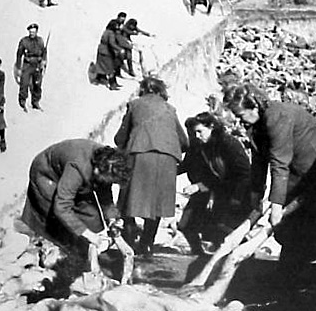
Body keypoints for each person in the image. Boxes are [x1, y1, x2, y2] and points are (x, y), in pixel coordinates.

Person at [224, 83, 316, 286]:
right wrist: (256, 193)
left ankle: (294, 281)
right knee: (288, 229)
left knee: (303, 227)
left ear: (254, 107)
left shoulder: (278, 117)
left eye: (240, 114)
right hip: (299, 171)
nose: (239, 119)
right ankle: (287, 275)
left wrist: (277, 206)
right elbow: (259, 160)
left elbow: (279, 164)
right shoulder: (256, 125)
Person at [20, 140, 130, 272]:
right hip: (48, 174)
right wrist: (89, 235)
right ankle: (54, 257)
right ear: (98, 170)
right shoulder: (77, 168)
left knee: (91, 215)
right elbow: (61, 207)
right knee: (58, 226)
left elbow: (105, 195)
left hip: (76, 175)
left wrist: (112, 219)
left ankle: (88, 254)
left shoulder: (108, 163)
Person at [114, 76, 189, 257]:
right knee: (157, 205)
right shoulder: (170, 109)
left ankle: (129, 234)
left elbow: (119, 138)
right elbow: (184, 142)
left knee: (127, 198)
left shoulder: (135, 105)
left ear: (143, 90)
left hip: (140, 153)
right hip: (167, 159)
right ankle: (147, 244)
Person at [178, 112, 251, 255]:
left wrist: (201, 187)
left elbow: (243, 173)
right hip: (209, 189)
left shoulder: (228, 143)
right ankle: (198, 255)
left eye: (200, 131)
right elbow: (187, 166)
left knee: (220, 227)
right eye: (194, 133)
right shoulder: (199, 145)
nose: (197, 136)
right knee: (185, 225)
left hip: (235, 191)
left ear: (211, 127)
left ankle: (244, 251)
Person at [15, 23, 47, 112]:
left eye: (34, 31)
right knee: (24, 83)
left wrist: (43, 62)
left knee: (37, 84)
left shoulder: (40, 41)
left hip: (37, 65)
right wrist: (18, 67)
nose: (32, 33)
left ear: (37, 31)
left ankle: (35, 102)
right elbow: (19, 54)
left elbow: (44, 52)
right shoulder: (24, 41)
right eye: (30, 31)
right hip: (27, 65)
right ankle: (22, 101)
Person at [93, 20, 123, 90]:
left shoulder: (106, 31)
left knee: (101, 66)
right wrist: (120, 49)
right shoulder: (111, 33)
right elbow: (112, 43)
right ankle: (112, 84)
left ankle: (100, 79)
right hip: (106, 52)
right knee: (110, 68)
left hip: (101, 50)